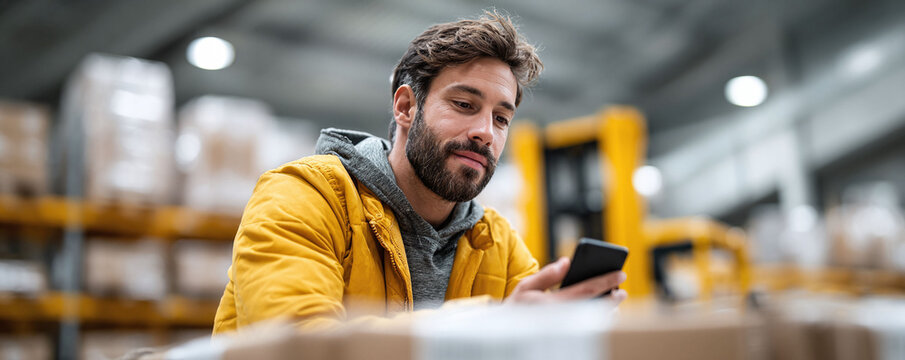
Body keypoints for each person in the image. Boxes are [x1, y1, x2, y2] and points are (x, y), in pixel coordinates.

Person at [213, 10, 627, 333]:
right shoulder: (303, 196)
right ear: (406, 107)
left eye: (501, 119)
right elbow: (300, 343)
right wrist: (492, 331)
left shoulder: (496, 243)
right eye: (465, 105)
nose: (485, 132)